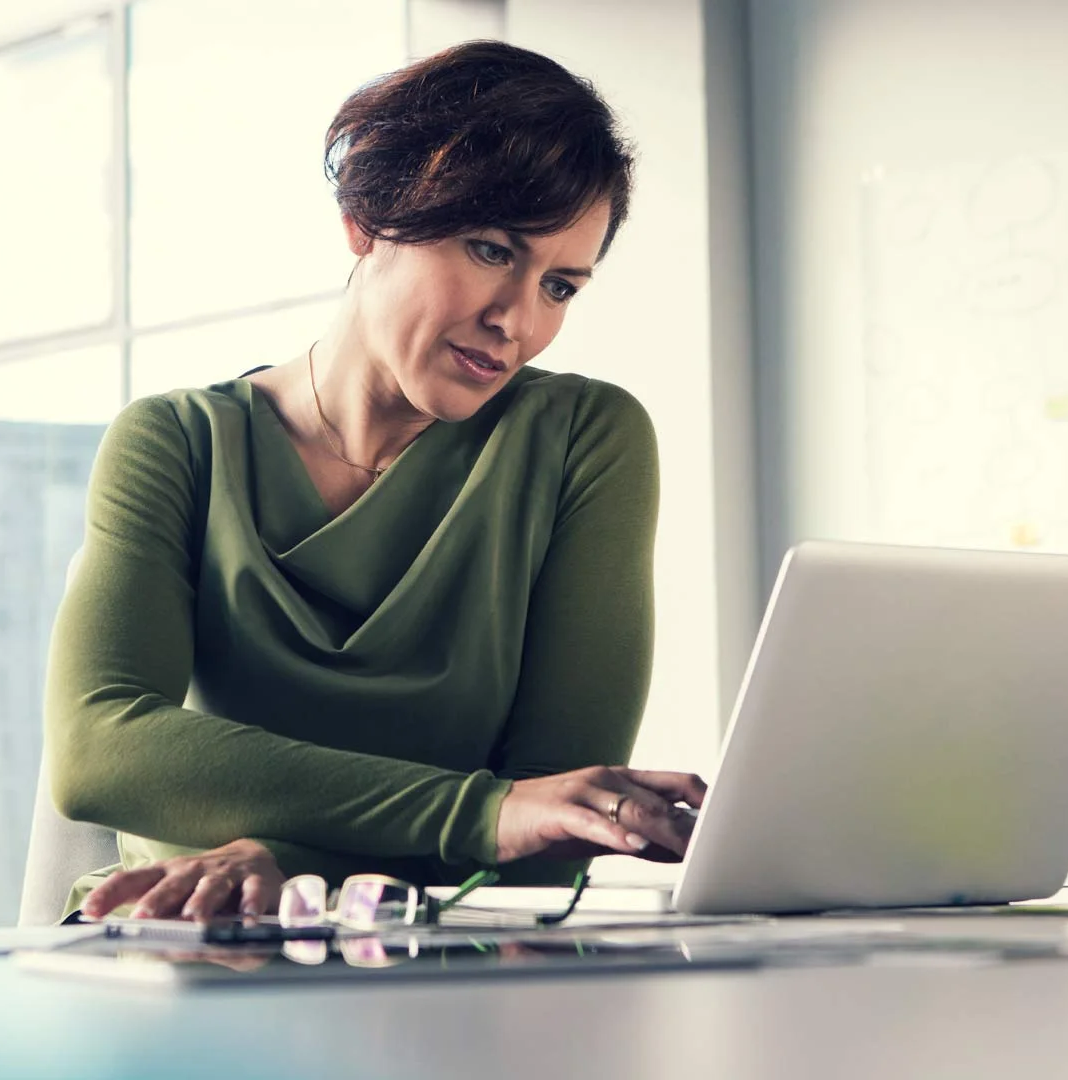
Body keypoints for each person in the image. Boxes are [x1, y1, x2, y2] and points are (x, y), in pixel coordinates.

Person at [45, 39, 706, 922]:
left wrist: (289, 860)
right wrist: (482, 815)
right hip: (182, 937)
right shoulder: (176, 443)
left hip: (450, 952)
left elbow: (553, 832)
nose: (516, 319)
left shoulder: (584, 441)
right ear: (366, 220)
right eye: (490, 250)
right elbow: (97, 750)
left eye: (560, 286)